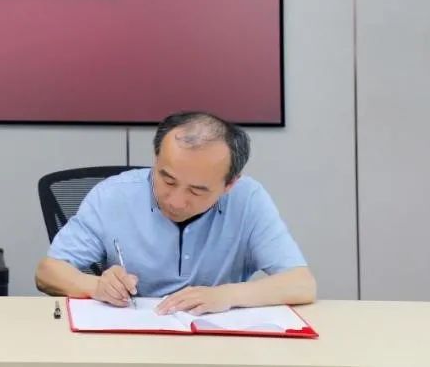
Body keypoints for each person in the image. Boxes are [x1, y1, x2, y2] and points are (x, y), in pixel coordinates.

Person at [35, 111, 316, 314]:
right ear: (156, 159)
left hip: (216, 346)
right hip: (129, 342)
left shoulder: (248, 199)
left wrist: (226, 295)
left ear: (229, 184)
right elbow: (48, 273)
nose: (177, 201)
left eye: (197, 190)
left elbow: (301, 284)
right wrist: (96, 286)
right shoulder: (113, 196)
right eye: (167, 180)